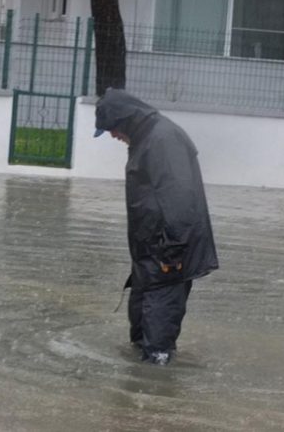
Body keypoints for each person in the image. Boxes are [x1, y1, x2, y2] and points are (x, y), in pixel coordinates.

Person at [94, 89, 219, 365]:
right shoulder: (148, 137)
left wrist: (172, 253)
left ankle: (155, 396)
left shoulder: (163, 139)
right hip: (151, 255)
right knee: (140, 327)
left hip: (168, 256)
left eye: (112, 129)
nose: (113, 136)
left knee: (157, 341)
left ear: (125, 120)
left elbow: (180, 197)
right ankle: (141, 388)